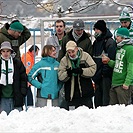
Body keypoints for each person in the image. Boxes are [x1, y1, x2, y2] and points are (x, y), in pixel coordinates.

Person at [58, 41, 96, 110]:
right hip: (71, 94)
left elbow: (93, 69)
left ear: (77, 49)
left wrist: (82, 71)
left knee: (88, 115)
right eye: (69, 52)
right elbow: (60, 75)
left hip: (85, 93)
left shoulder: (85, 56)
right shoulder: (64, 60)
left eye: (73, 51)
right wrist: (67, 74)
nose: (71, 54)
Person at [102, 27, 133, 105]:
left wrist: (127, 83)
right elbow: (117, 65)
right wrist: (109, 61)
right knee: (113, 109)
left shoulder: (130, 49)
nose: (116, 38)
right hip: (115, 83)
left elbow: (131, 67)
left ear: (123, 37)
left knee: (123, 109)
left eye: (118, 36)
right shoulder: (119, 48)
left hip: (123, 85)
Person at [92, 20, 117, 108]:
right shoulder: (96, 42)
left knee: (105, 100)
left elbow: (111, 58)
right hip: (97, 76)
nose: (95, 31)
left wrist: (103, 73)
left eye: (97, 29)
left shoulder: (109, 42)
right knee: (97, 100)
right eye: (95, 29)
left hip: (105, 77)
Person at [0, 41, 27, 115]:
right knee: (4, 119)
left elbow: (23, 78)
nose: (5, 53)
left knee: (16, 120)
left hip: (16, 96)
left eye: (8, 51)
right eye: (3, 51)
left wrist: (23, 92)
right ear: (1, 52)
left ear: (11, 52)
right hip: (2, 97)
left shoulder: (17, 63)